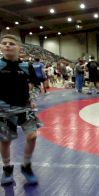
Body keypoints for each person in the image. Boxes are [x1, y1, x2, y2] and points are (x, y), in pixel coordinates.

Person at [0, 34, 40, 185]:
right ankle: (7, 169)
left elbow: (36, 85)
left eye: (11, 43)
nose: (7, 45)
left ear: (19, 48)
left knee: (32, 136)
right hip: (3, 109)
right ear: (1, 47)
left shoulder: (26, 66)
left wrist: (33, 98)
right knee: (5, 141)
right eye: (4, 43)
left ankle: (26, 166)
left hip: (24, 106)